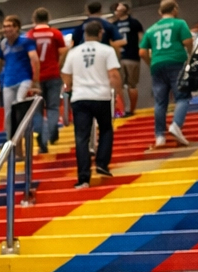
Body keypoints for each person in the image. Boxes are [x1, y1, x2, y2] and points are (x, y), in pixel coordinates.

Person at [63, 20, 123, 188]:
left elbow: (66, 74)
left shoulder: (73, 52)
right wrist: (118, 94)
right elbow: (114, 74)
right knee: (106, 129)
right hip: (101, 96)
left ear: (84, 34)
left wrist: (70, 86)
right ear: (100, 33)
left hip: (80, 97)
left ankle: (83, 178)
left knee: (81, 137)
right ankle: (102, 163)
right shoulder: (107, 50)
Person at [141, 0, 194, 147]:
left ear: (160, 12)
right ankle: (176, 125)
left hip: (157, 65)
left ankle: (159, 136)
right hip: (176, 62)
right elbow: (188, 41)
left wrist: (151, 62)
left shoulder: (151, 29)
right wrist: (190, 57)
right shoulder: (180, 24)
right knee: (183, 97)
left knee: (160, 102)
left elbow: (142, 52)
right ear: (175, 10)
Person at [0, 15, 39, 145]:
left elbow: (35, 60)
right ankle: (11, 142)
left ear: (16, 28)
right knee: (8, 113)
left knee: (20, 104)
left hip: (24, 79)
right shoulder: (3, 44)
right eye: (4, 26)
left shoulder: (26, 41)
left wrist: (35, 81)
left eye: (9, 26)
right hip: (8, 81)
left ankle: (24, 135)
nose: (6, 29)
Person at [27, 9, 68, 154]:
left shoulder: (30, 35)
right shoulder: (55, 33)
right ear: (48, 18)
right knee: (53, 107)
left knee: (37, 110)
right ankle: (51, 131)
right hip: (53, 74)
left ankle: (42, 140)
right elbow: (64, 51)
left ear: (34, 19)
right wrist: (58, 65)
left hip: (36, 77)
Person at [112, 2, 146, 114]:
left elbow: (110, 42)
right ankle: (132, 110)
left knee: (119, 86)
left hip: (118, 58)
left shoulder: (113, 25)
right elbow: (142, 39)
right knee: (132, 85)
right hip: (132, 57)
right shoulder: (134, 22)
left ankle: (121, 110)